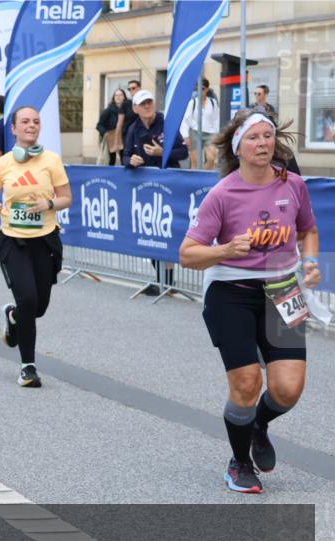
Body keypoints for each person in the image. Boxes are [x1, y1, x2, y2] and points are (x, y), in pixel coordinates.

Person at [179, 109, 322, 494]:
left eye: (268, 136)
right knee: (246, 381)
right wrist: (225, 249)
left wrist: (309, 261)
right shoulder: (222, 194)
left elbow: (308, 229)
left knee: (288, 389)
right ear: (238, 147)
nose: (263, 144)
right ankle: (239, 462)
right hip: (232, 293)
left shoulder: (292, 184)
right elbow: (188, 254)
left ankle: (258, 424)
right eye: (254, 138)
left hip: (283, 289)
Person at [0, 106, 72, 388]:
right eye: (25, 121)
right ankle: (28, 367)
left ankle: (14, 316)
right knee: (28, 299)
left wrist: (48, 204)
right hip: (13, 240)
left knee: (39, 306)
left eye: (35, 121)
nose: (31, 125)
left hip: (45, 239)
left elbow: (66, 197)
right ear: (13, 128)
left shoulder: (52, 160)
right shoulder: (3, 164)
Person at [124, 89, 188, 295]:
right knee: (149, 232)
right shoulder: (133, 128)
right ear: (135, 109)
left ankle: (168, 282)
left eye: (149, 102)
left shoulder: (167, 123)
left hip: (169, 186)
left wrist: (163, 152)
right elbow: (125, 156)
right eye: (142, 104)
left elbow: (184, 151)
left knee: (166, 231)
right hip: (145, 188)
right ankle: (162, 281)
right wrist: (131, 161)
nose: (147, 106)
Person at [181, 78, 220, 169]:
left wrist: (216, 133)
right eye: (197, 88)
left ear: (206, 89)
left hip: (209, 133)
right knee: (195, 163)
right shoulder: (192, 102)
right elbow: (186, 119)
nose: (200, 91)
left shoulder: (213, 102)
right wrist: (185, 136)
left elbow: (216, 119)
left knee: (211, 158)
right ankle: (194, 182)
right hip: (194, 132)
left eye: (202, 88)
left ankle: (203, 176)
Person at [96, 89, 126, 165]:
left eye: (120, 95)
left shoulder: (127, 109)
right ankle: (109, 176)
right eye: (116, 95)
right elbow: (99, 125)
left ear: (124, 97)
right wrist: (105, 133)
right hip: (111, 138)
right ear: (113, 98)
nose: (118, 97)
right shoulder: (108, 110)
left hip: (124, 138)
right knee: (110, 161)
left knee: (125, 160)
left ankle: (124, 176)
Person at [116, 79, 142, 164]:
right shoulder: (126, 104)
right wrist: (117, 143)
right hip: (127, 136)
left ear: (139, 88)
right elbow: (119, 124)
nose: (131, 91)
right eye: (129, 89)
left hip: (142, 135)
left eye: (133, 88)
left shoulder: (145, 102)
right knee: (128, 161)